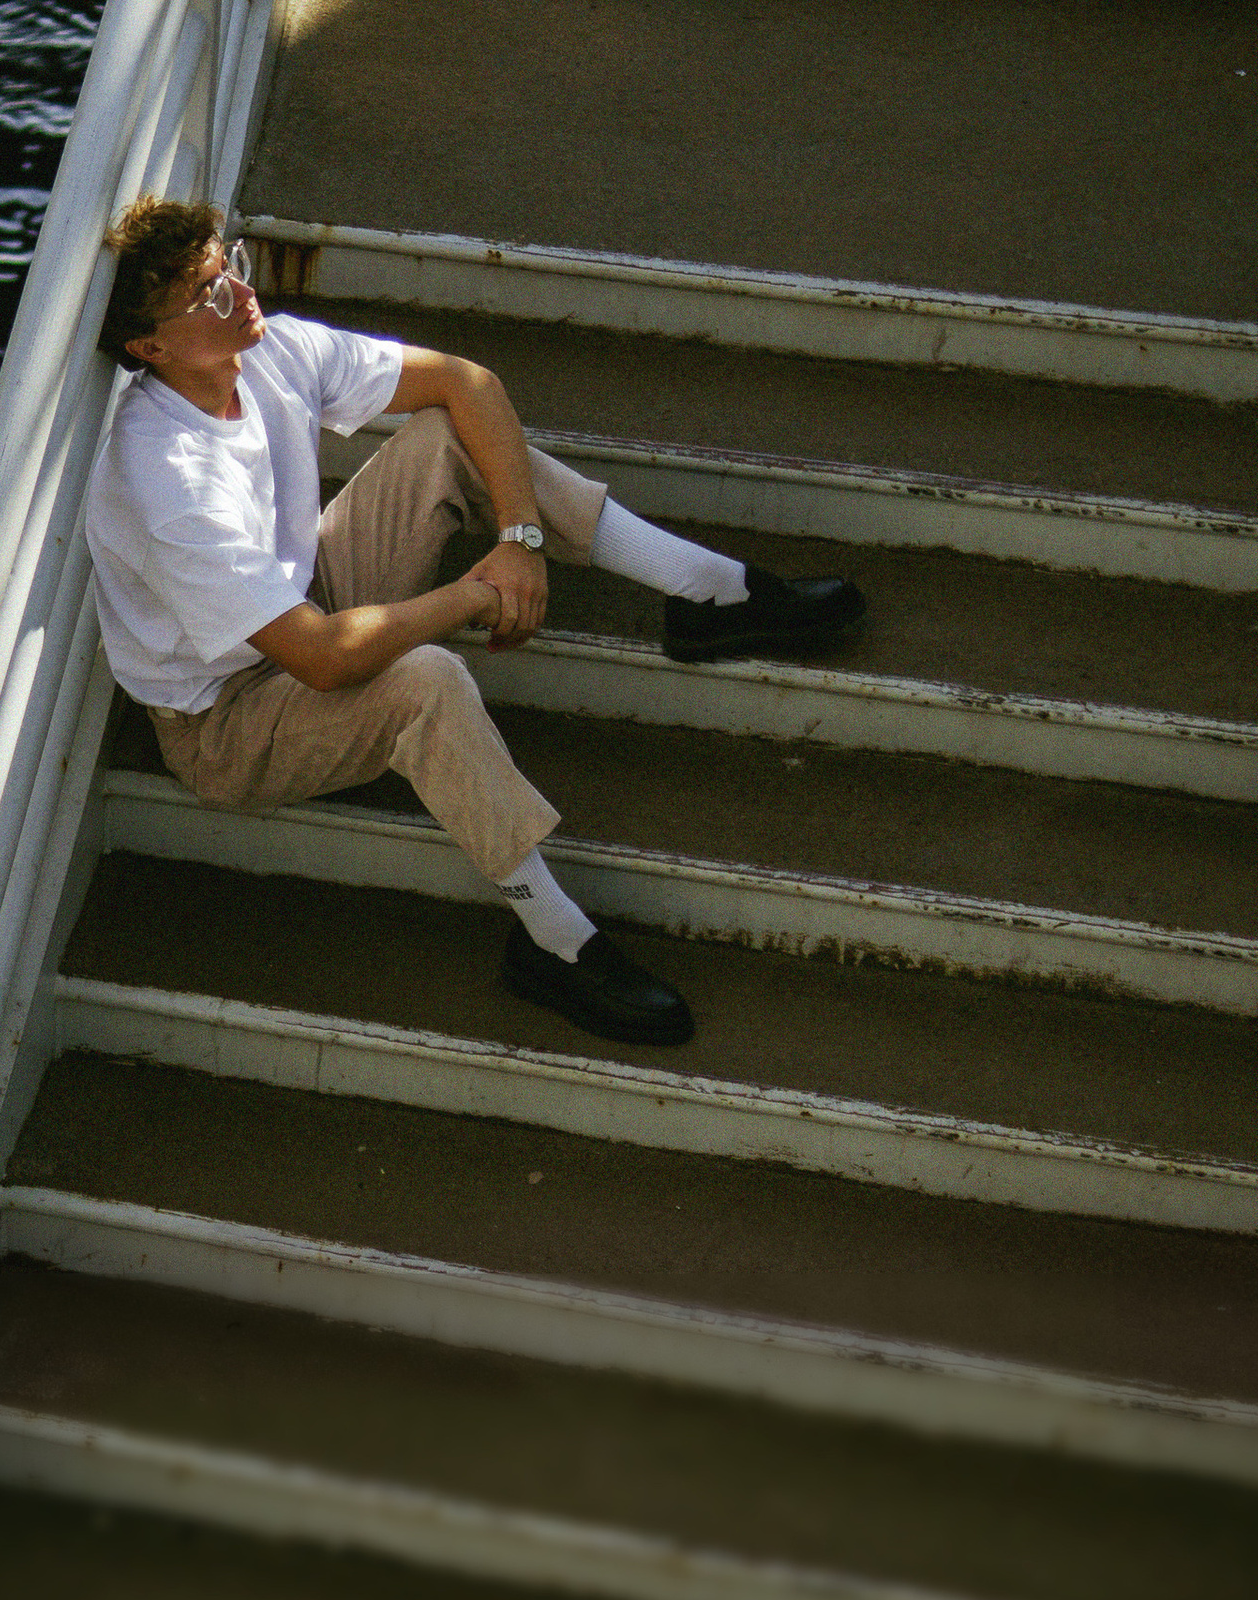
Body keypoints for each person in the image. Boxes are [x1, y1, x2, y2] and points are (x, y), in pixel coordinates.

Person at [83, 196, 864, 1049]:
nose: (239, 291)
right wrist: (474, 596)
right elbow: (321, 660)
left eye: (228, 264)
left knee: (441, 437)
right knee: (427, 682)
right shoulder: (168, 478)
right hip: (229, 719)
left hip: (308, 594)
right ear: (149, 349)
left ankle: (709, 592)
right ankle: (554, 944)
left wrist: (520, 539)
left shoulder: (266, 348)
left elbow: (466, 383)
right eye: (206, 293)